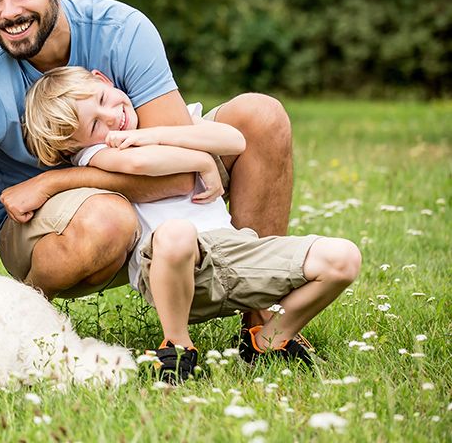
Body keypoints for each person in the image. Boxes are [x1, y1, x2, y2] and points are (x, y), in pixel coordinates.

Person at [0, 0, 296, 331]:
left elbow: (179, 170)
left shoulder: (121, 29)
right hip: (52, 225)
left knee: (262, 116)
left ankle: (262, 324)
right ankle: (28, 323)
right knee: (108, 218)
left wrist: (53, 181)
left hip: (145, 187)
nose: (10, 12)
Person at [22, 66, 362, 382]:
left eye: (102, 100)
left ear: (104, 79)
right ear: (74, 147)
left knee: (343, 258)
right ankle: (176, 346)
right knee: (177, 232)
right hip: (172, 264)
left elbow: (235, 141)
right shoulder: (95, 153)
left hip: (233, 251)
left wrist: (154, 133)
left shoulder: (163, 124)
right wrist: (200, 159)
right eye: (95, 124)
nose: (113, 117)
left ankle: (271, 339)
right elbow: (140, 164)